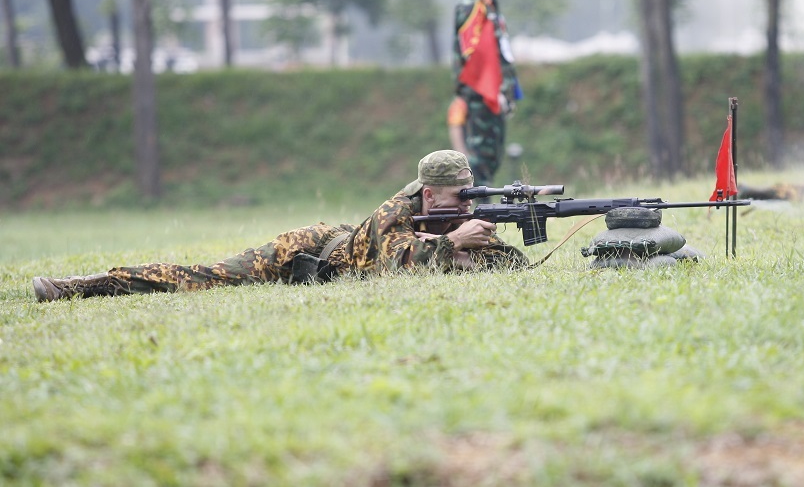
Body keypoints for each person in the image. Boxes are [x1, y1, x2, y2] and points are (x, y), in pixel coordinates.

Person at [32, 150, 529, 302]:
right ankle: (83, 285)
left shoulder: (451, 218)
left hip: (334, 249)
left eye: (469, 195)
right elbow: (394, 265)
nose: (464, 207)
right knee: (207, 276)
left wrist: (471, 246)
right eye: (456, 198)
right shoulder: (393, 213)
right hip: (303, 253)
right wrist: (453, 247)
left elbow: (513, 264)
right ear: (427, 195)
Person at [448, 0, 525, 188]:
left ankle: (484, 215)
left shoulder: (488, 2)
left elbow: (500, 52)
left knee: (491, 158)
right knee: (479, 159)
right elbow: (474, 57)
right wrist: (492, 89)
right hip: (480, 95)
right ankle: (477, 216)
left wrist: (506, 89)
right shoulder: (471, 4)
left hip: (493, 94)